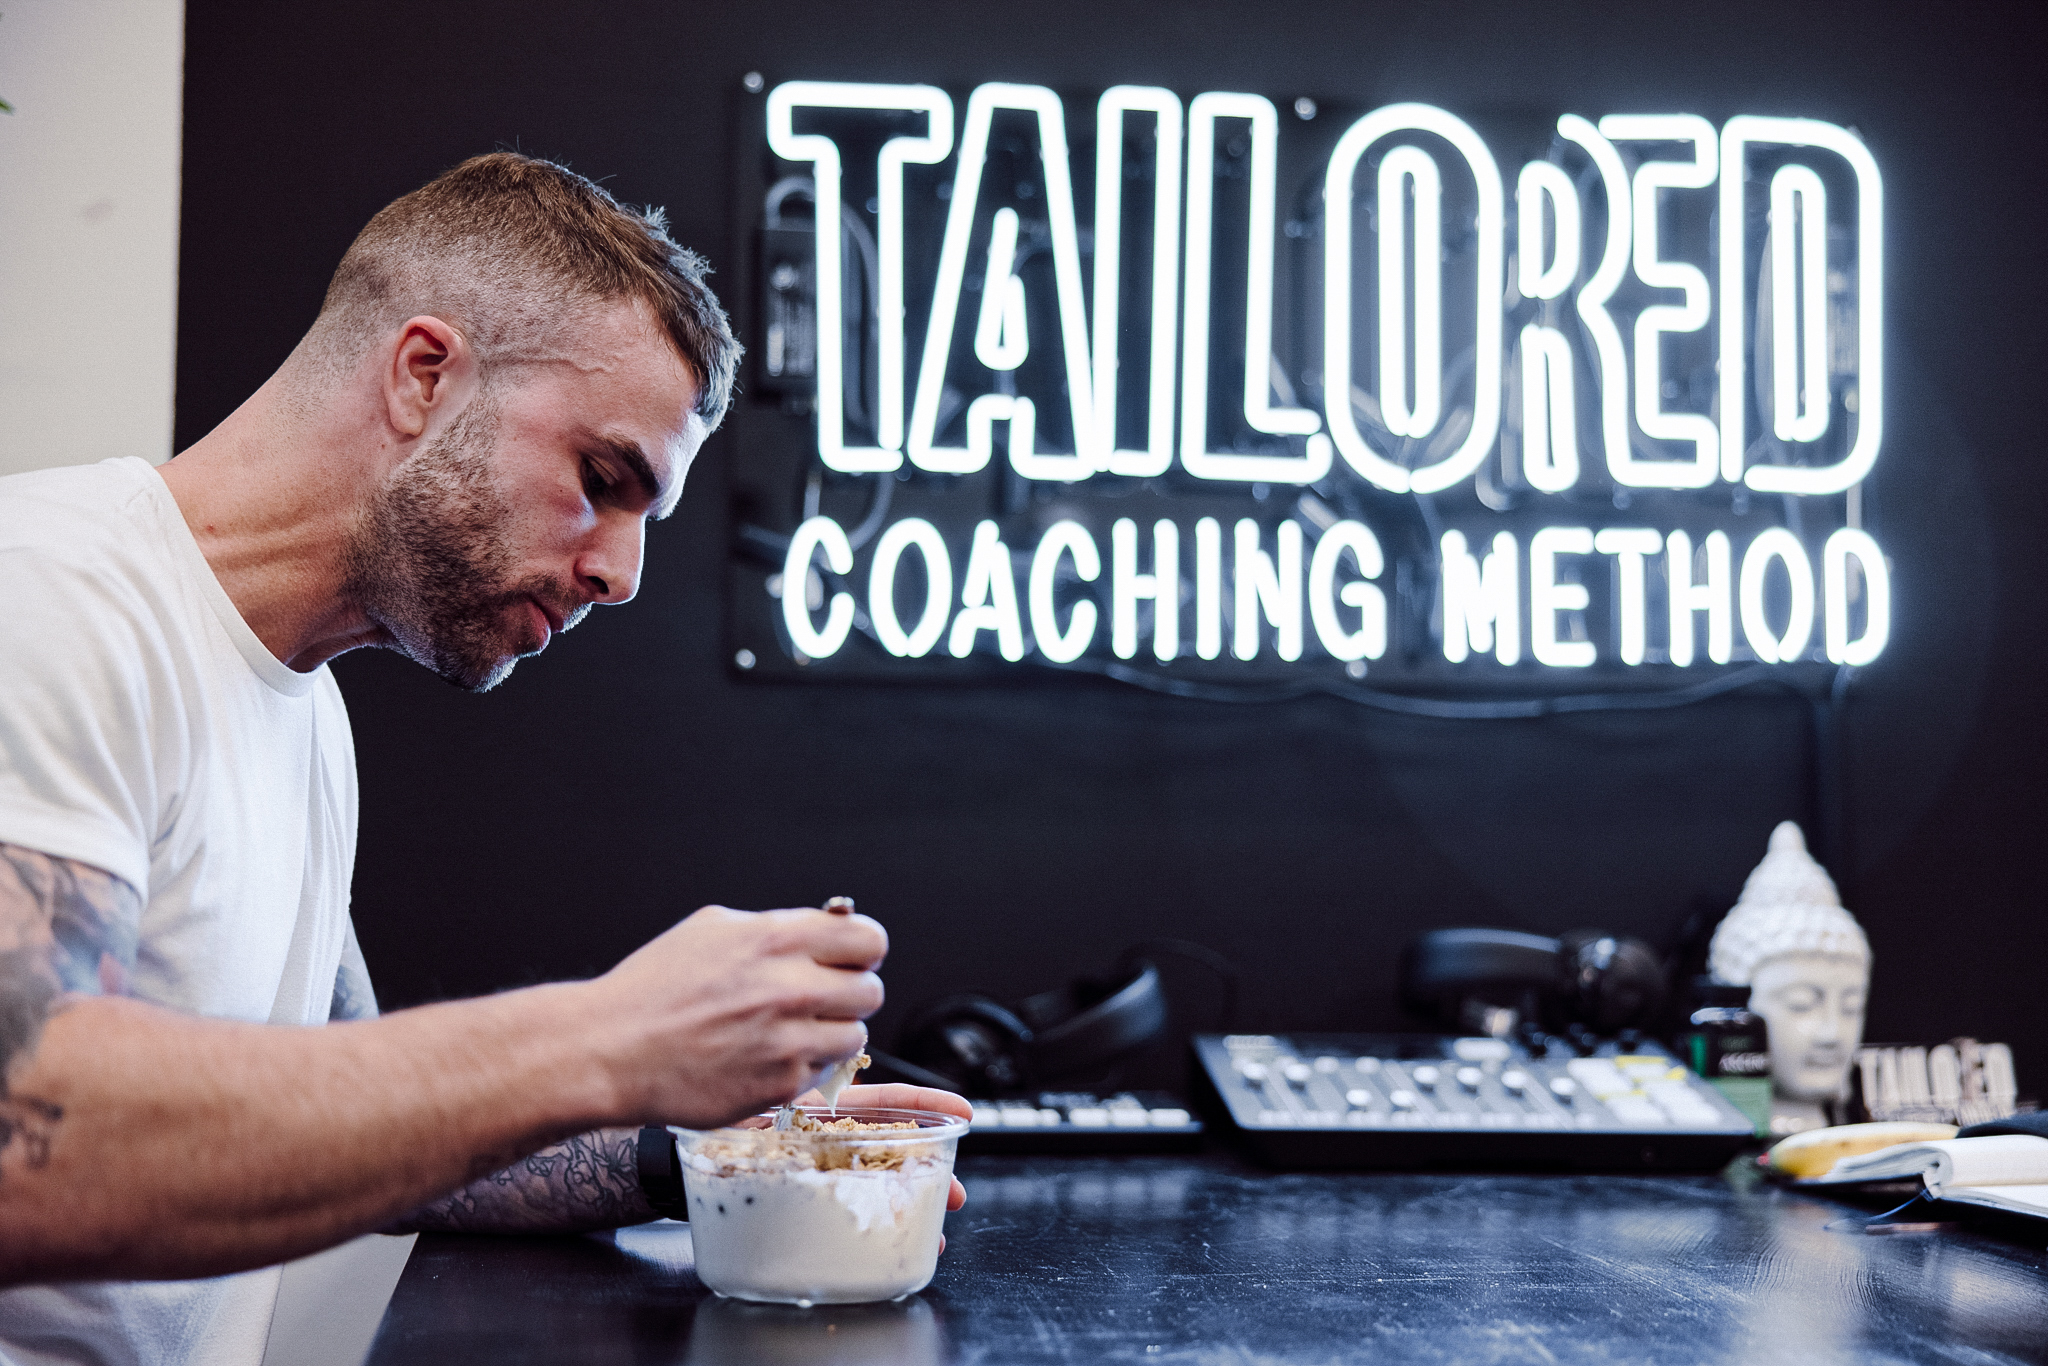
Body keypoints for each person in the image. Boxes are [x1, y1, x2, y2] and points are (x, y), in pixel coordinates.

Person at [0, 152, 967, 1363]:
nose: (621, 575)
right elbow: (20, 1138)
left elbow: (360, 1128)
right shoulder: (45, 597)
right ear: (423, 376)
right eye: (600, 480)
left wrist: (698, 1145)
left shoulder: (302, 709)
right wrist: (609, 1036)